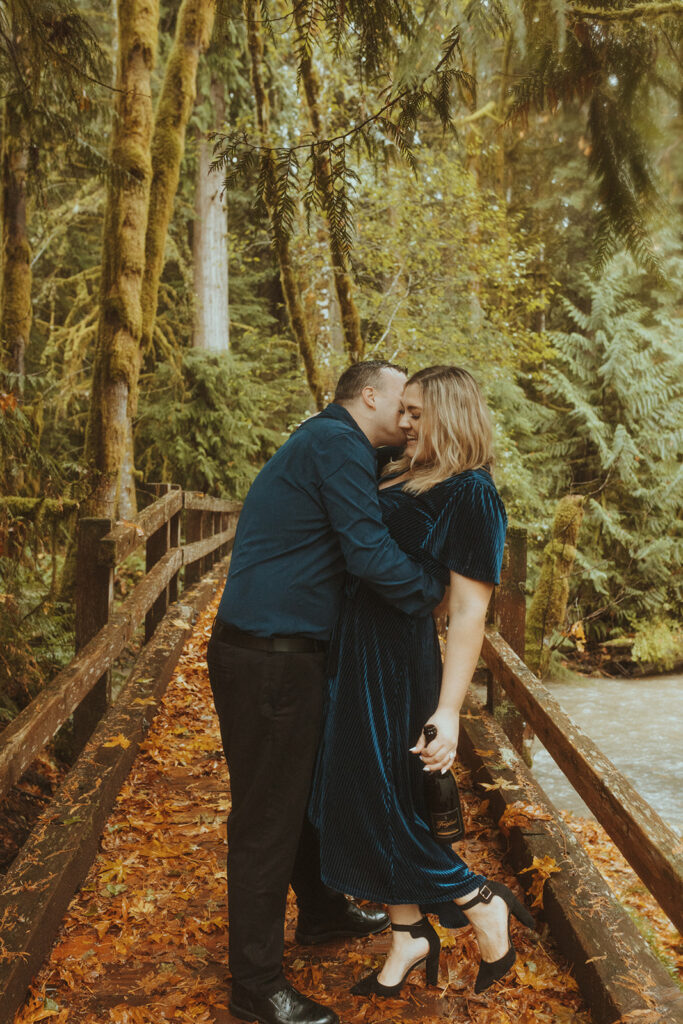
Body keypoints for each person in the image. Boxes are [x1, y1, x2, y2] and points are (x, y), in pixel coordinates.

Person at [207, 360, 445, 1024]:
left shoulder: (334, 445)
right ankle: (255, 985)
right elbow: (366, 551)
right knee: (265, 821)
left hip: (284, 655)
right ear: (368, 397)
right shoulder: (336, 442)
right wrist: (436, 593)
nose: (408, 420)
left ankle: (318, 913)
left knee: (307, 794)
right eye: (402, 406)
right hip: (269, 660)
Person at [309, 365, 536, 999]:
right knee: (346, 798)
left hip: (394, 663)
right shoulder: (401, 471)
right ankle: (408, 929)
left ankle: (478, 900)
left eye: (415, 412)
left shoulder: (473, 494)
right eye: (401, 410)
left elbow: (468, 610)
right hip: (350, 653)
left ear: (451, 413)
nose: (403, 423)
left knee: (381, 801)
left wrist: (450, 708)